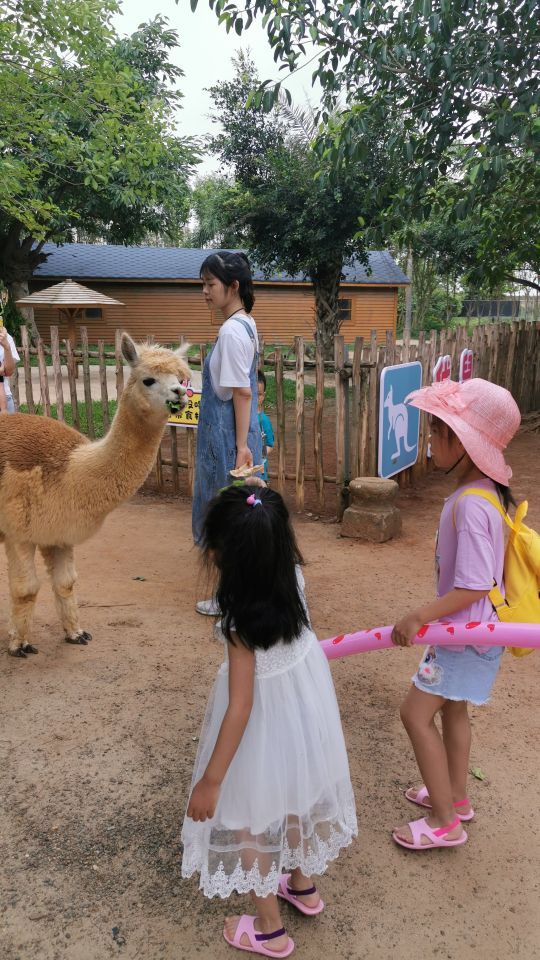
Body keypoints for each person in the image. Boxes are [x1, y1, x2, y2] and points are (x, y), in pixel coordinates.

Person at [181, 485, 357, 957]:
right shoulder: (292, 575)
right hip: (304, 707)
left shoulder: (239, 619)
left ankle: (269, 928)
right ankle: (301, 884)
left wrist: (212, 781)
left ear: (226, 559)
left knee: (248, 819)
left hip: (261, 721)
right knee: (296, 794)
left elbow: (240, 705)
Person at [390, 377, 521, 851]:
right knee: (454, 710)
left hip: (461, 636)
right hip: (476, 635)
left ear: (463, 444)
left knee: (414, 714)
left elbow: (472, 584)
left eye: (437, 430)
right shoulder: (485, 494)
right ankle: (457, 797)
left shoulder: (470, 504)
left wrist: (417, 616)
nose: (430, 439)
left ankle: (446, 822)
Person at [193, 252, 263, 616]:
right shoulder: (246, 324)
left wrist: (240, 448)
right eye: (203, 284)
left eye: (211, 284)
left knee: (224, 514)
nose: (205, 291)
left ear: (233, 286)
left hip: (225, 436)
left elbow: (242, 392)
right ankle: (237, 594)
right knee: (239, 513)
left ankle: (233, 599)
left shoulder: (232, 330)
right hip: (233, 430)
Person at [257, 371, 274, 483]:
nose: (255, 397)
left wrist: (258, 453)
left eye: (259, 394)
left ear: (264, 395)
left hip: (260, 471)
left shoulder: (264, 420)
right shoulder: (240, 418)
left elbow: (270, 445)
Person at [0, 325, 20, 413]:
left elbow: (8, 372)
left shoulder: (5, 337)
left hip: (4, 396)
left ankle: (4, 410)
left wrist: (6, 346)